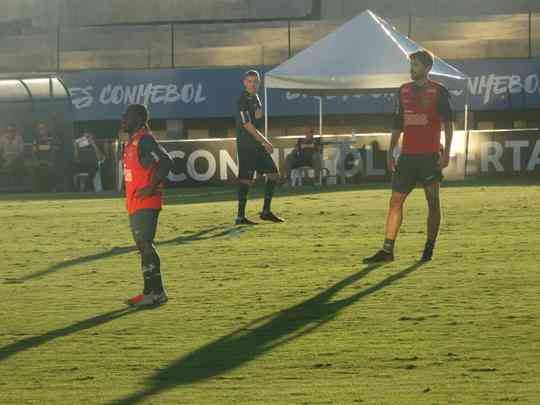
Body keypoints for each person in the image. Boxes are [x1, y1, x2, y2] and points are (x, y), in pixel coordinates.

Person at [363, 50, 453, 263]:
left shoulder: (439, 91)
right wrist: (391, 151)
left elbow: (448, 125)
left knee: (433, 202)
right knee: (395, 202)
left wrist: (447, 152)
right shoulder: (403, 90)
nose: (412, 69)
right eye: (411, 64)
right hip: (407, 158)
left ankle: (429, 249)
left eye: (416, 65)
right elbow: (397, 124)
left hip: (430, 158)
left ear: (427, 68)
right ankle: (387, 251)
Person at [122, 104, 172, 308]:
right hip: (135, 202)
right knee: (143, 246)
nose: (123, 120)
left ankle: (155, 293)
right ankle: (151, 292)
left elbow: (166, 162)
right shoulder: (133, 141)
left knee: (145, 244)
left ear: (138, 119)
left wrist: (151, 188)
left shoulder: (145, 140)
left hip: (146, 202)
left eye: (127, 117)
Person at [235, 70, 284, 225]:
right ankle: (240, 217)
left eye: (255, 81)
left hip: (256, 144)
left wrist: (259, 117)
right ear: (244, 82)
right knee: (246, 180)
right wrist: (265, 141)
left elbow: (257, 119)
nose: (252, 84)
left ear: (259, 83)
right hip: (247, 146)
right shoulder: (242, 100)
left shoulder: (256, 98)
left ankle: (266, 212)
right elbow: (248, 125)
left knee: (273, 174)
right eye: (249, 81)